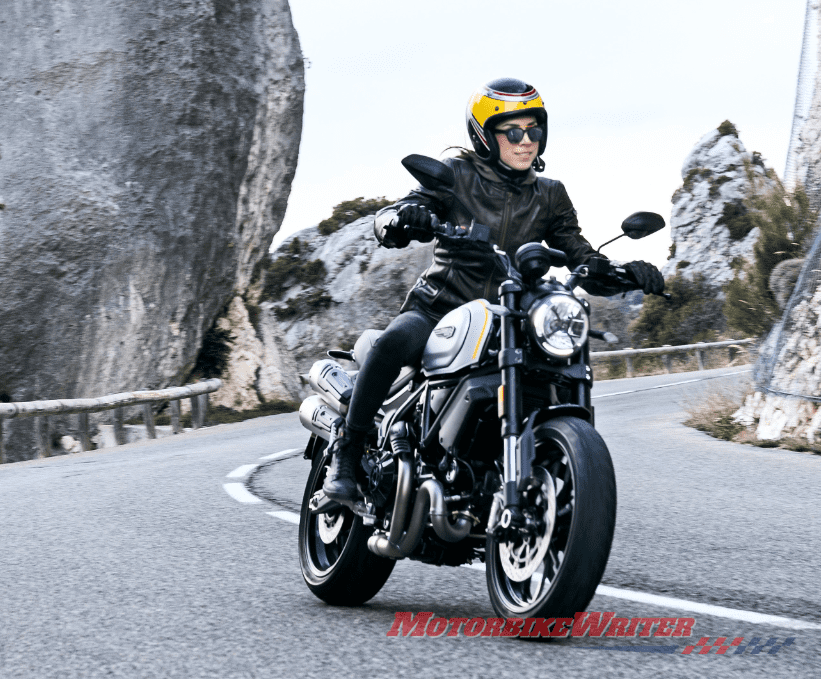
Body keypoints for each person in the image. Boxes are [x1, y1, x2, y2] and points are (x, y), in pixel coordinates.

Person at [323, 77, 664, 502]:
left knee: (559, 365)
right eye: (513, 133)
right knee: (391, 342)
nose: (526, 142)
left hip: (513, 317)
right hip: (440, 309)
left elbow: (580, 256)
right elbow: (396, 215)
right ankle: (348, 449)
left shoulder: (550, 195)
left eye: (533, 131)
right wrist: (403, 218)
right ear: (485, 136)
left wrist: (626, 274)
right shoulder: (456, 176)